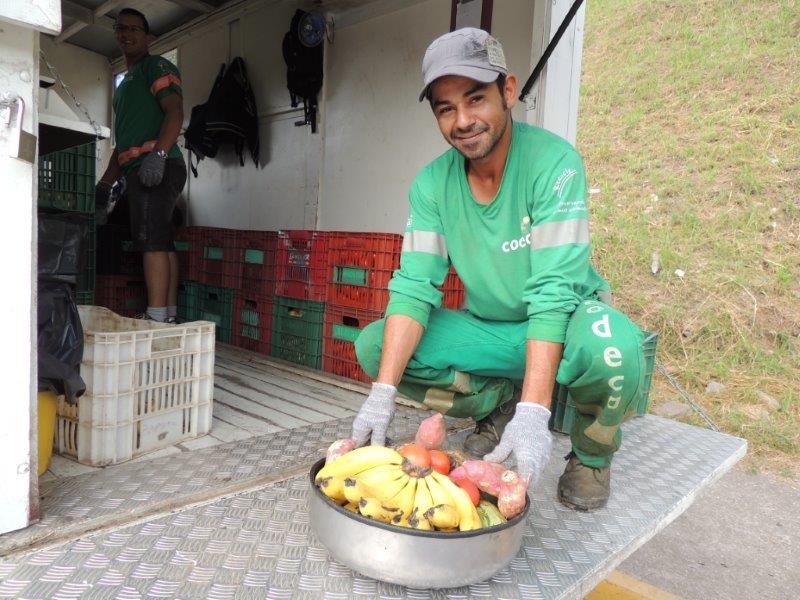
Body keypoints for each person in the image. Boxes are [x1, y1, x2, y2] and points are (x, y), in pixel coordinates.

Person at [350, 28, 645, 511]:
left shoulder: (555, 165)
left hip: (567, 326)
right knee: (377, 346)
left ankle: (591, 454)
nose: (463, 121)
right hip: (495, 334)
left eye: (475, 99)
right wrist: (382, 394)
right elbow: (413, 289)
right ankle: (497, 403)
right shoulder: (430, 186)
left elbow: (553, 292)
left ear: (508, 92)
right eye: (446, 108)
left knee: (618, 351)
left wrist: (536, 413)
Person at [95, 7, 186, 323]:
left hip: (159, 167)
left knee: (150, 239)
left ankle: (157, 316)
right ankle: (169, 314)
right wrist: (106, 183)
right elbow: (124, 143)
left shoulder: (156, 66)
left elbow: (175, 112)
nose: (126, 34)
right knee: (160, 239)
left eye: (134, 29)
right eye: (121, 28)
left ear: (147, 37)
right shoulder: (123, 88)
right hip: (139, 170)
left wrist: (158, 156)